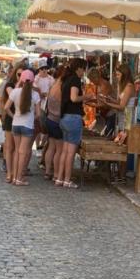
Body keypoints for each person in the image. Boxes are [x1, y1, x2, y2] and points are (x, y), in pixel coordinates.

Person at [55, 57, 94, 188]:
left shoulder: (66, 79)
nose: (84, 72)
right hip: (73, 118)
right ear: (78, 68)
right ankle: (67, 180)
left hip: (65, 117)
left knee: (64, 152)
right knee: (70, 153)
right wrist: (87, 97)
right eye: (83, 69)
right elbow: (74, 98)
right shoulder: (75, 80)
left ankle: (59, 178)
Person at [6, 69, 41, 186]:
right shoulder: (35, 95)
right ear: (32, 81)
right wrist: (32, 118)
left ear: (21, 79)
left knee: (17, 151)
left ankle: (15, 177)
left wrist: (13, 116)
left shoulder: (15, 92)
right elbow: (39, 114)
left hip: (15, 124)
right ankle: (19, 178)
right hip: (27, 126)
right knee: (23, 152)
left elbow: (6, 108)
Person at [43, 64, 66, 181]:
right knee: (59, 149)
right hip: (57, 120)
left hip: (50, 119)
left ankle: (47, 172)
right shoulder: (61, 86)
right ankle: (56, 174)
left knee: (51, 147)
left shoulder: (53, 84)